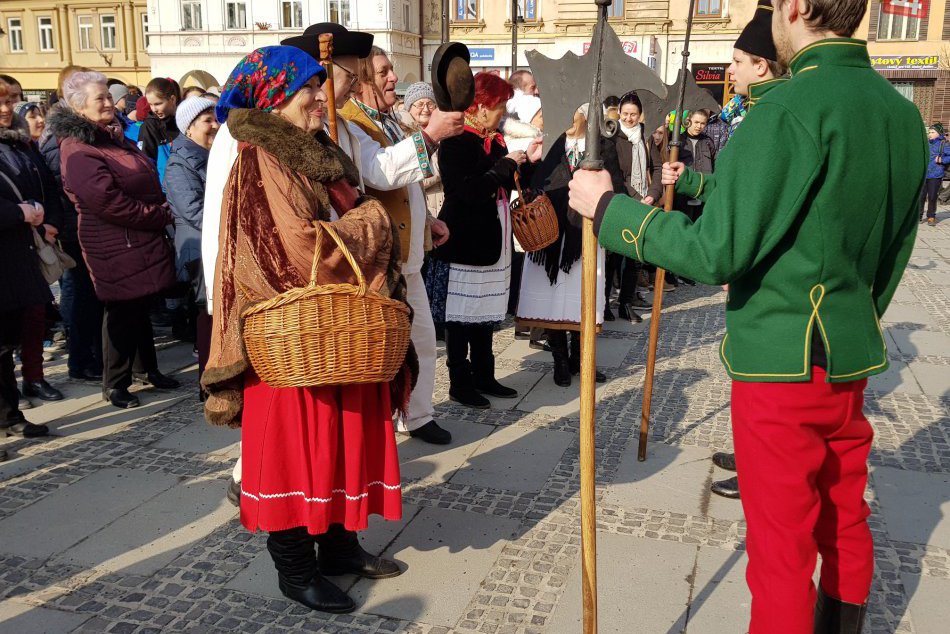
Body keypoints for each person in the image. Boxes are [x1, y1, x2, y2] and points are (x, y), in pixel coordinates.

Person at [569, 0, 925, 631]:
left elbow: (716, 253)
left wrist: (610, 212)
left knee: (780, 550)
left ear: (796, 8)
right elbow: (893, 252)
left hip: (780, 361)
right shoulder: (899, 112)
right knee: (843, 518)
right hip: (848, 354)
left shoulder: (787, 108)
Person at [203, 45, 413, 614]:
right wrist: (373, 222)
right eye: (308, 90)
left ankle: (339, 545)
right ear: (275, 98)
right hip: (292, 338)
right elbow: (299, 249)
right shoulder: (263, 157)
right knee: (296, 456)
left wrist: (361, 218)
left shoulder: (310, 149)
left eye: (321, 86)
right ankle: (295, 569)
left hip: (333, 332)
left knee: (340, 445)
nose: (321, 98)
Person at [334, 35, 462, 444]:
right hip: (379, 261)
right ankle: (385, 418)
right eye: (384, 72)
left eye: (391, 70)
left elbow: (407, 188)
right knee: (384, 348)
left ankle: (418, 414)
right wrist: (431, 137)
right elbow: (382, 174)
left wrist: (428, 224)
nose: (394, 79)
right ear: (361, 81)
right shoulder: (351, 120)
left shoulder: (389, 119)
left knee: (423, 339)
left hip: (409, 253)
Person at [50, 71, 180, 410]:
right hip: (113, 238)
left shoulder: (110, 137)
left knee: (140, 304)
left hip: (136, 234)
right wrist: (158, 214)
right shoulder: (78, 147)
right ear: (79, 108)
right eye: (100, 99)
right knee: (121, 309)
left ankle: (146, 370)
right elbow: (107, 201)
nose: (109, 102)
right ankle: (116, 383)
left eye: (109, 96)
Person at [707, 0, 789, 502]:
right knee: (747, 382)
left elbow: (759, 206)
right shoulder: (753, 111)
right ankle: (749, 452)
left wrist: (727, 253)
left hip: (764, 285)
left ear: (760, 65)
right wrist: (693, 178)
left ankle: (758, 468)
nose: (730, 70)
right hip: (750, 279)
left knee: (763, 388)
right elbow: (735, 188)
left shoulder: (769, 117)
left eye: (736, 61)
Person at [433, 72, 542, 409]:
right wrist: (503, 166)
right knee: (461, 315)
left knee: (485, 313)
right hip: (463, 236)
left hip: (492, 234)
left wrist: (527, 163)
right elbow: (464, 191)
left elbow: (505, 182)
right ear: (479, 107)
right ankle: (459, 382)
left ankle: (484, 374)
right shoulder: (454, 141)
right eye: (499, 107)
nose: (503, 114)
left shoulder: (494, 139)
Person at [516, 104, 612, 387]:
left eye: (575, 110)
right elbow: (533, 183)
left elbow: (614, 182)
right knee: (553, 298)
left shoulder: (601, 147)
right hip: (550, 232)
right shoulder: (550, 143)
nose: (569, 116)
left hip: (584, 234)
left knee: (582, 298)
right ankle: (559, 359)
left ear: (586, 114)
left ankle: (581, 360)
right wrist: (530, 164)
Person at [39, 66, 104, 385]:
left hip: (82, 228)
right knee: (78, 295)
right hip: (71, 231)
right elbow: (57, 186)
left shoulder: (80, 131)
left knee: (89, 297)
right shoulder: (60, 137)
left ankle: (90, 354)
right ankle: (80, 359)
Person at [0, 80, 55, 442]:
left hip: (15, 256)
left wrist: (42, 213)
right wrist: (19, 212)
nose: (6, 109)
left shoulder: (14, 143)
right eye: (0, 102)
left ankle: (9, 415)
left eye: (10, 100)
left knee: (5, 343)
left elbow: (41, 184)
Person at [164, 96, 218, 388]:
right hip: (199, 249)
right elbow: (194, 211)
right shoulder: (179, 164)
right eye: (207, 120)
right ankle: (208, 383)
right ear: (189, 128)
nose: (215, 125)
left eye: (215, 118)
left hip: (216, 243)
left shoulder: (213, 155)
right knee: (207, 314)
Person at [608, 92, 658, 323]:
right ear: (619, 112)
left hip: (643, 202)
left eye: (633, 115)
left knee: (634, 256)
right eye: (625, 114)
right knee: (613, 256)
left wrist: (653, 194)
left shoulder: (645, 136)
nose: (629, 119)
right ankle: (605, 302)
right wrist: (637, 196)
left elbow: (657, 166)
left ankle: (626, 302)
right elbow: (615, 173)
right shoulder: (611, 135)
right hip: (620, 200)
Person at [139, 77, 181, 182]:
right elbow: (146, 163)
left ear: (172, 99)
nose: (154, 109)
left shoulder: (185, 120)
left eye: (158, 104)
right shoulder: (149, 127)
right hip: (165, 190)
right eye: (150, 104)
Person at [922, 123, 950, 226]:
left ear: (939, 133)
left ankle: (931, 216)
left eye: (933, 132)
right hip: (924, 174)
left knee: (932, 196)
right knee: (921, 196)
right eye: (929, 132)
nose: (930, 134)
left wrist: (942, 159)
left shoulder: (944, 144)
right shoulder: (925, 143)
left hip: (936, 174)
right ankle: (919, 215)